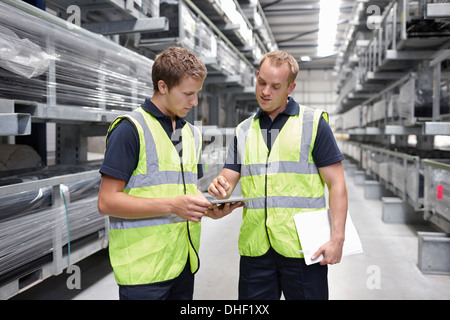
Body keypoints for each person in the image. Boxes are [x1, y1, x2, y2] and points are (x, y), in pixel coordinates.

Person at [97, 46, 240, 300]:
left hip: (183, 263)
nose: (194, 102)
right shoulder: (130, 130)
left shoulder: (192, 134)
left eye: (197, 94)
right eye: (188, 94)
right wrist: (174, 205)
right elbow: (107, 201)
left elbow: (185, 190)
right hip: (144, 272)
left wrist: (209, 209)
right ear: (162, 87)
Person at [207, 50, 348, 300]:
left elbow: (337, 184)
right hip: (256, 250)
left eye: (275, 86)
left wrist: (337, 239)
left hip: (304, 249)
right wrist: (219, 190)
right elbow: (227, 179)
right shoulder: (243, 130)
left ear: (290, 87)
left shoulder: (313, 123)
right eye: (261, 82)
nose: (265, 92)